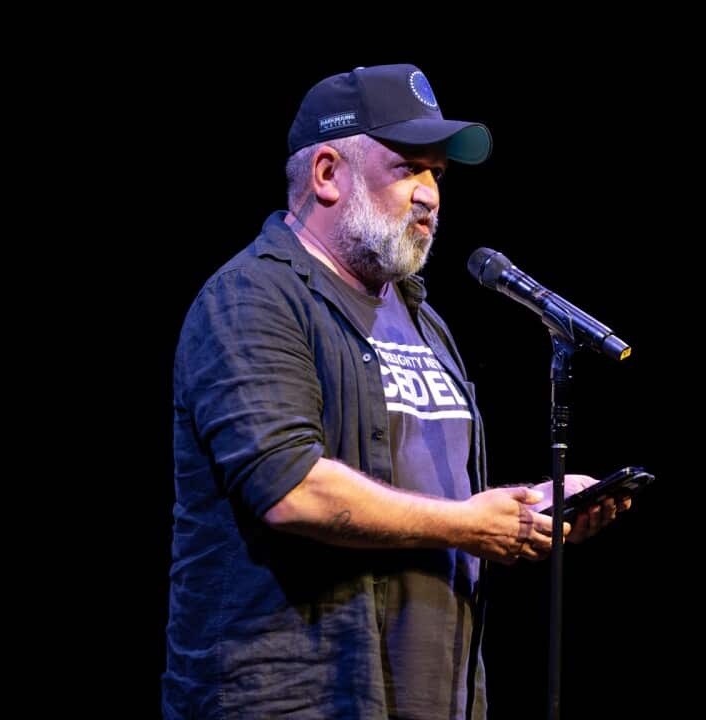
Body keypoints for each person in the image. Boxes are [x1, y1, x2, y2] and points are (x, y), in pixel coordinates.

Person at [163, 63, 632, 719]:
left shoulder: (423, 320)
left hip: (434, 696)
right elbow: (291, 489)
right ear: (327, 174)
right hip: (300, 697)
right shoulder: (253, 298)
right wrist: (470, 525)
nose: (431, 195)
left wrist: (526, 512)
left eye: (437, 174)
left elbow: (436, 497)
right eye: (408, 167)